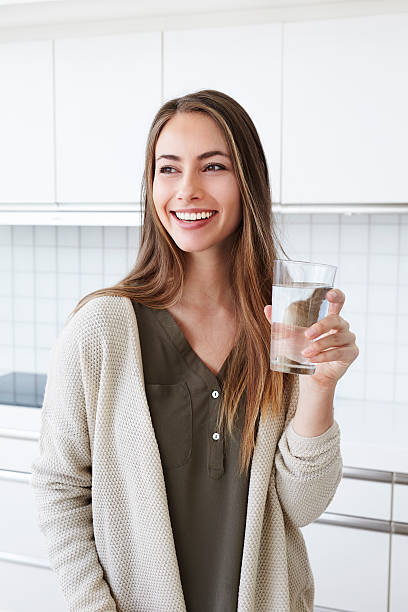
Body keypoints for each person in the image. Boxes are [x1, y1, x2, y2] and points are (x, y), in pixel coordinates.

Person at [30, 89, 359, 612]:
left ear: (247, 180)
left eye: (213, 166)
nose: (186, 190)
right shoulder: (103, 328)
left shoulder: (285, 321)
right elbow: (60, 490)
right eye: (168, 169)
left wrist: (321, 386)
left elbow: (301, 505)